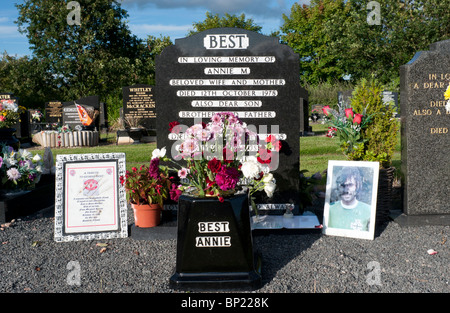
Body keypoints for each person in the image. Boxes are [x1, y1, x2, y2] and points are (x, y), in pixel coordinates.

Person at [328, 167, 372, 231]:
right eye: (343, 185)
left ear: (357, 186)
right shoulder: (330, 209)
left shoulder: (368, 210)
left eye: (350, 185)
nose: (346, 190)